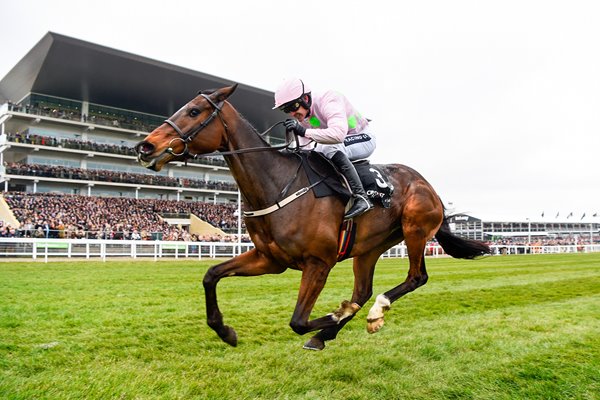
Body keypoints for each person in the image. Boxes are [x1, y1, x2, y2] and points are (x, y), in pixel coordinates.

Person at [273, 78, 375, 219]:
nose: (291, 113)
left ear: (306, 99)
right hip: (340, 142)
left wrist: (303, 131)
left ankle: (361, 197)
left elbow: (337, 134)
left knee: (327, 148)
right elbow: (305, 149)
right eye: (286, 110)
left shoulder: (329, 99)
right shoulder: (304, 116)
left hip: (362, 138)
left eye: (292, 107)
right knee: (314, 156)